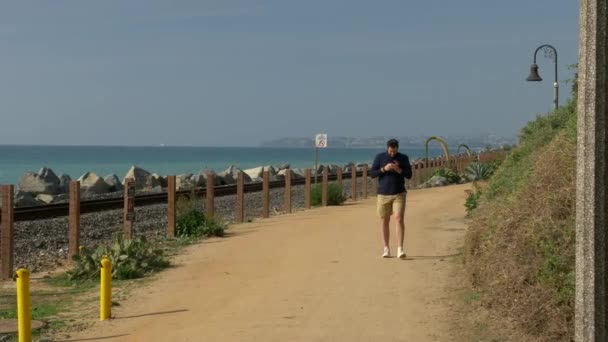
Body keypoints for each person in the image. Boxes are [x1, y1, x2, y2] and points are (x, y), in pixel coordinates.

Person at [370, 139, 412, 259]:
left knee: (398, 218)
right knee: (384, 221)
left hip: (399, 193)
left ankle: (400, 249)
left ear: (397, 148)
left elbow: (409, 175)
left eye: (394, 151)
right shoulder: (380, 157)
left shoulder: (403, 158)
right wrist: (384, 169)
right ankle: (386, 248)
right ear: (387, 148)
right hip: (383, 194)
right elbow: (372, 173)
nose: (392, 153)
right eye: (390, 151)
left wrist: (399, 170)